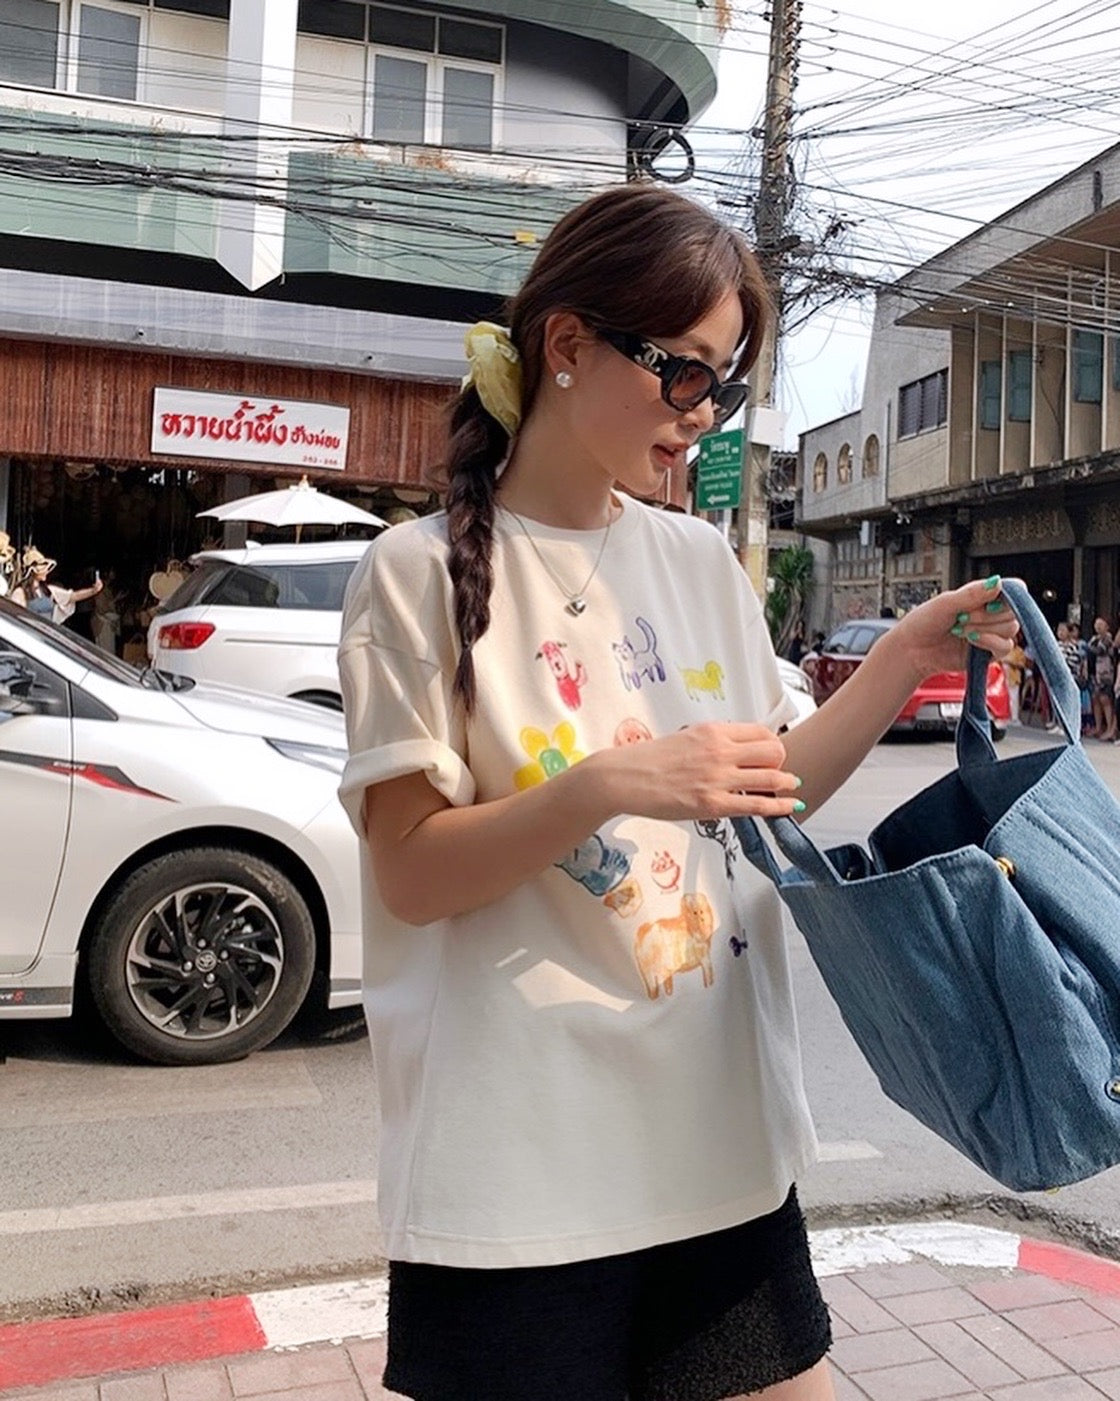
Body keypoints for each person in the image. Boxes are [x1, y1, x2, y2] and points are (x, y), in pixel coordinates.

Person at [337, 184, 1018, 1401]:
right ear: (566, 343)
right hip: (517, 1180)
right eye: (684, 373)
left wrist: (904, 654)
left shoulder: (699, 560)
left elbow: (771, 790)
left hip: (717, 1143)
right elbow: (411, 873)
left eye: (725, 384)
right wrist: (611, 783)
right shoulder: (413, 574)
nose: (701, 414)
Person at [9, 546, 103, 624]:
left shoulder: (47, 590)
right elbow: (15, 617)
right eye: (44, 569)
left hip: (47, 632)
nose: (46, 572)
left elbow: (72, 596)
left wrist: (93, 591)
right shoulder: (20, 592)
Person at [1088, 616, 1117, 742]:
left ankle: (1110, 728)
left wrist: (1088, 647)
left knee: (1105, 699)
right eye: (1096, 624)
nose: (1098, 626)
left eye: (1101, 624)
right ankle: (1098, 726)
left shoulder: (1108, 639)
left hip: (1106, 673)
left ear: (1107, 626)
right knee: (1096, 699)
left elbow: (1099, 650)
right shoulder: (1095, 638)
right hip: (1096, 673)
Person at [1002, 628, 1028, 725]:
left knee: (1014, 697)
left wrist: (1011, 662)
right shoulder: (1004, 649)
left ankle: (1014, 717)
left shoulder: (1019, 651)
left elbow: (1022, 664)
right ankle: (1005, 715)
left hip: (1013, 676)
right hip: (1002, 676)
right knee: (1004, 697)